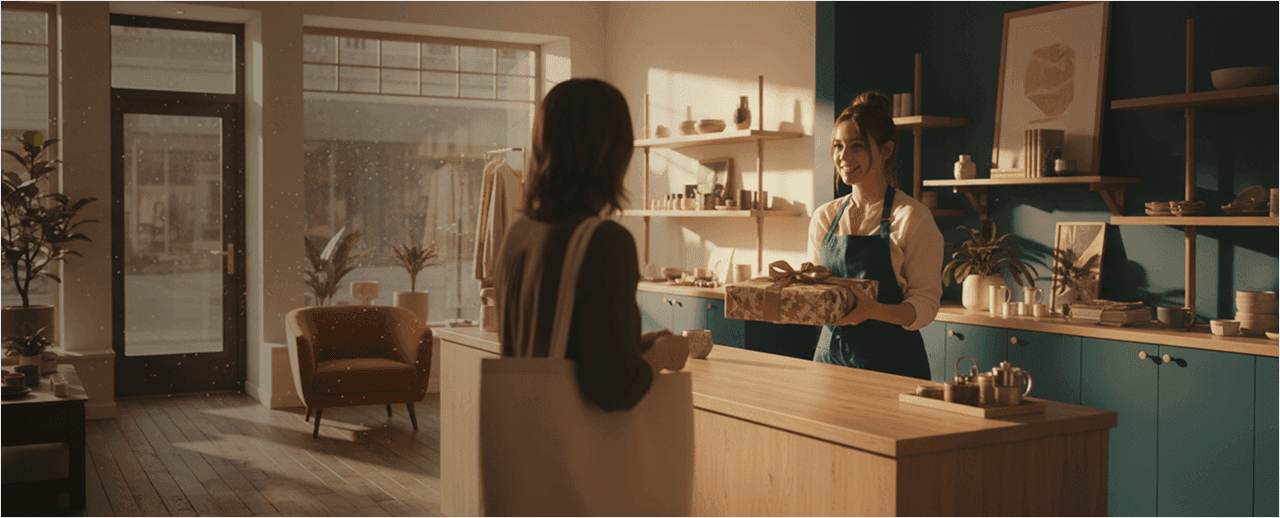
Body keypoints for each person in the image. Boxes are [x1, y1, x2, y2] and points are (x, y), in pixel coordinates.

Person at [495, 78, 688, 411]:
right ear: (613, 151)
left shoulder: (520, 233)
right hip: (577, 453)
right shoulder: (604, 242)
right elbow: (613, 388)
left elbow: (554, 351)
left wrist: (636, 347)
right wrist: (661, 357)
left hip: (526, 437)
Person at [807, 91, 944, 380]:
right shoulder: (824, 217)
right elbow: (818, 294)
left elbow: (924, 306)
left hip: (891, 369)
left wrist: (871, 311)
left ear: (885, 150)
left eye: (856, 146)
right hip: (828, 363)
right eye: (837, 146)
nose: (843, 157)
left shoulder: (912, 218)